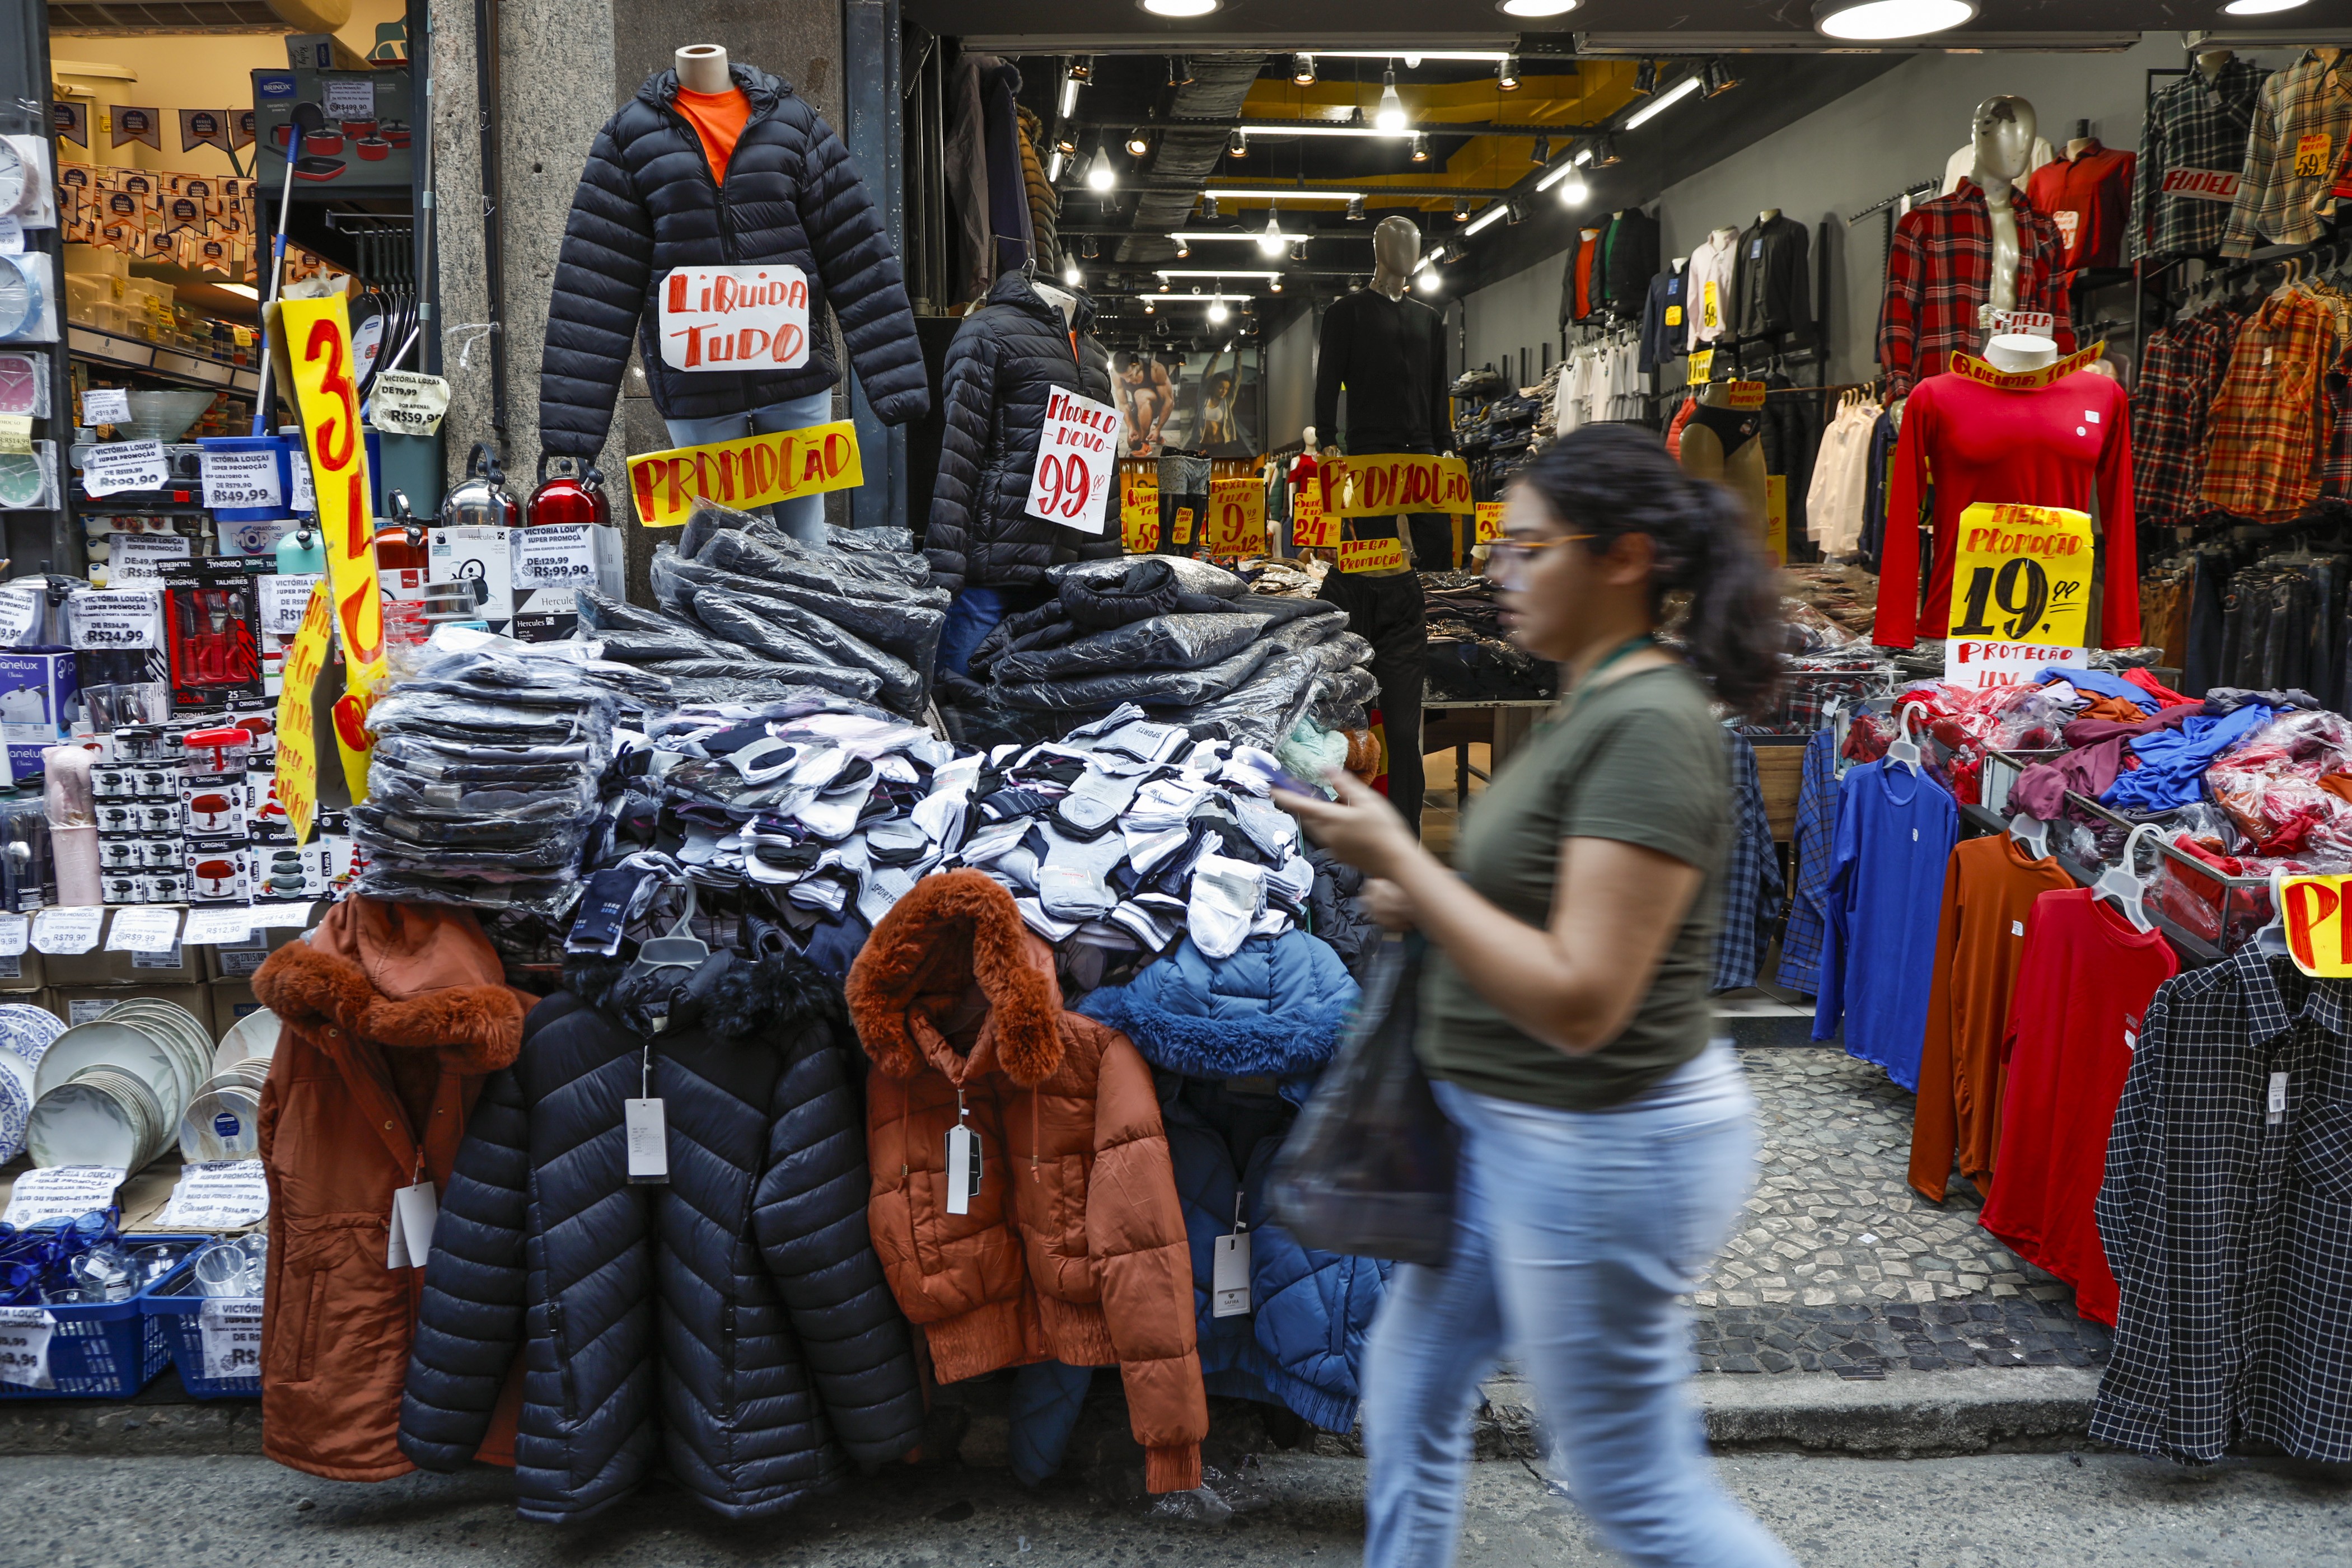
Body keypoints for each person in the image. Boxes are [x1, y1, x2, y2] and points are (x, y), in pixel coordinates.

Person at [1275, 424, 1795, 1568]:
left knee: (1633, 1488)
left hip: (1602, 1144)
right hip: (1516, 1128)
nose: (1499, 575)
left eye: (1525, 551)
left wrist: (1406, 863)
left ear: (1624, 558)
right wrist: (1432, 895)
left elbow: (1580, 998)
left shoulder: (1650, 726)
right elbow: (1548, 904)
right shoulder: (1595, 695)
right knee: (1408, 1384)